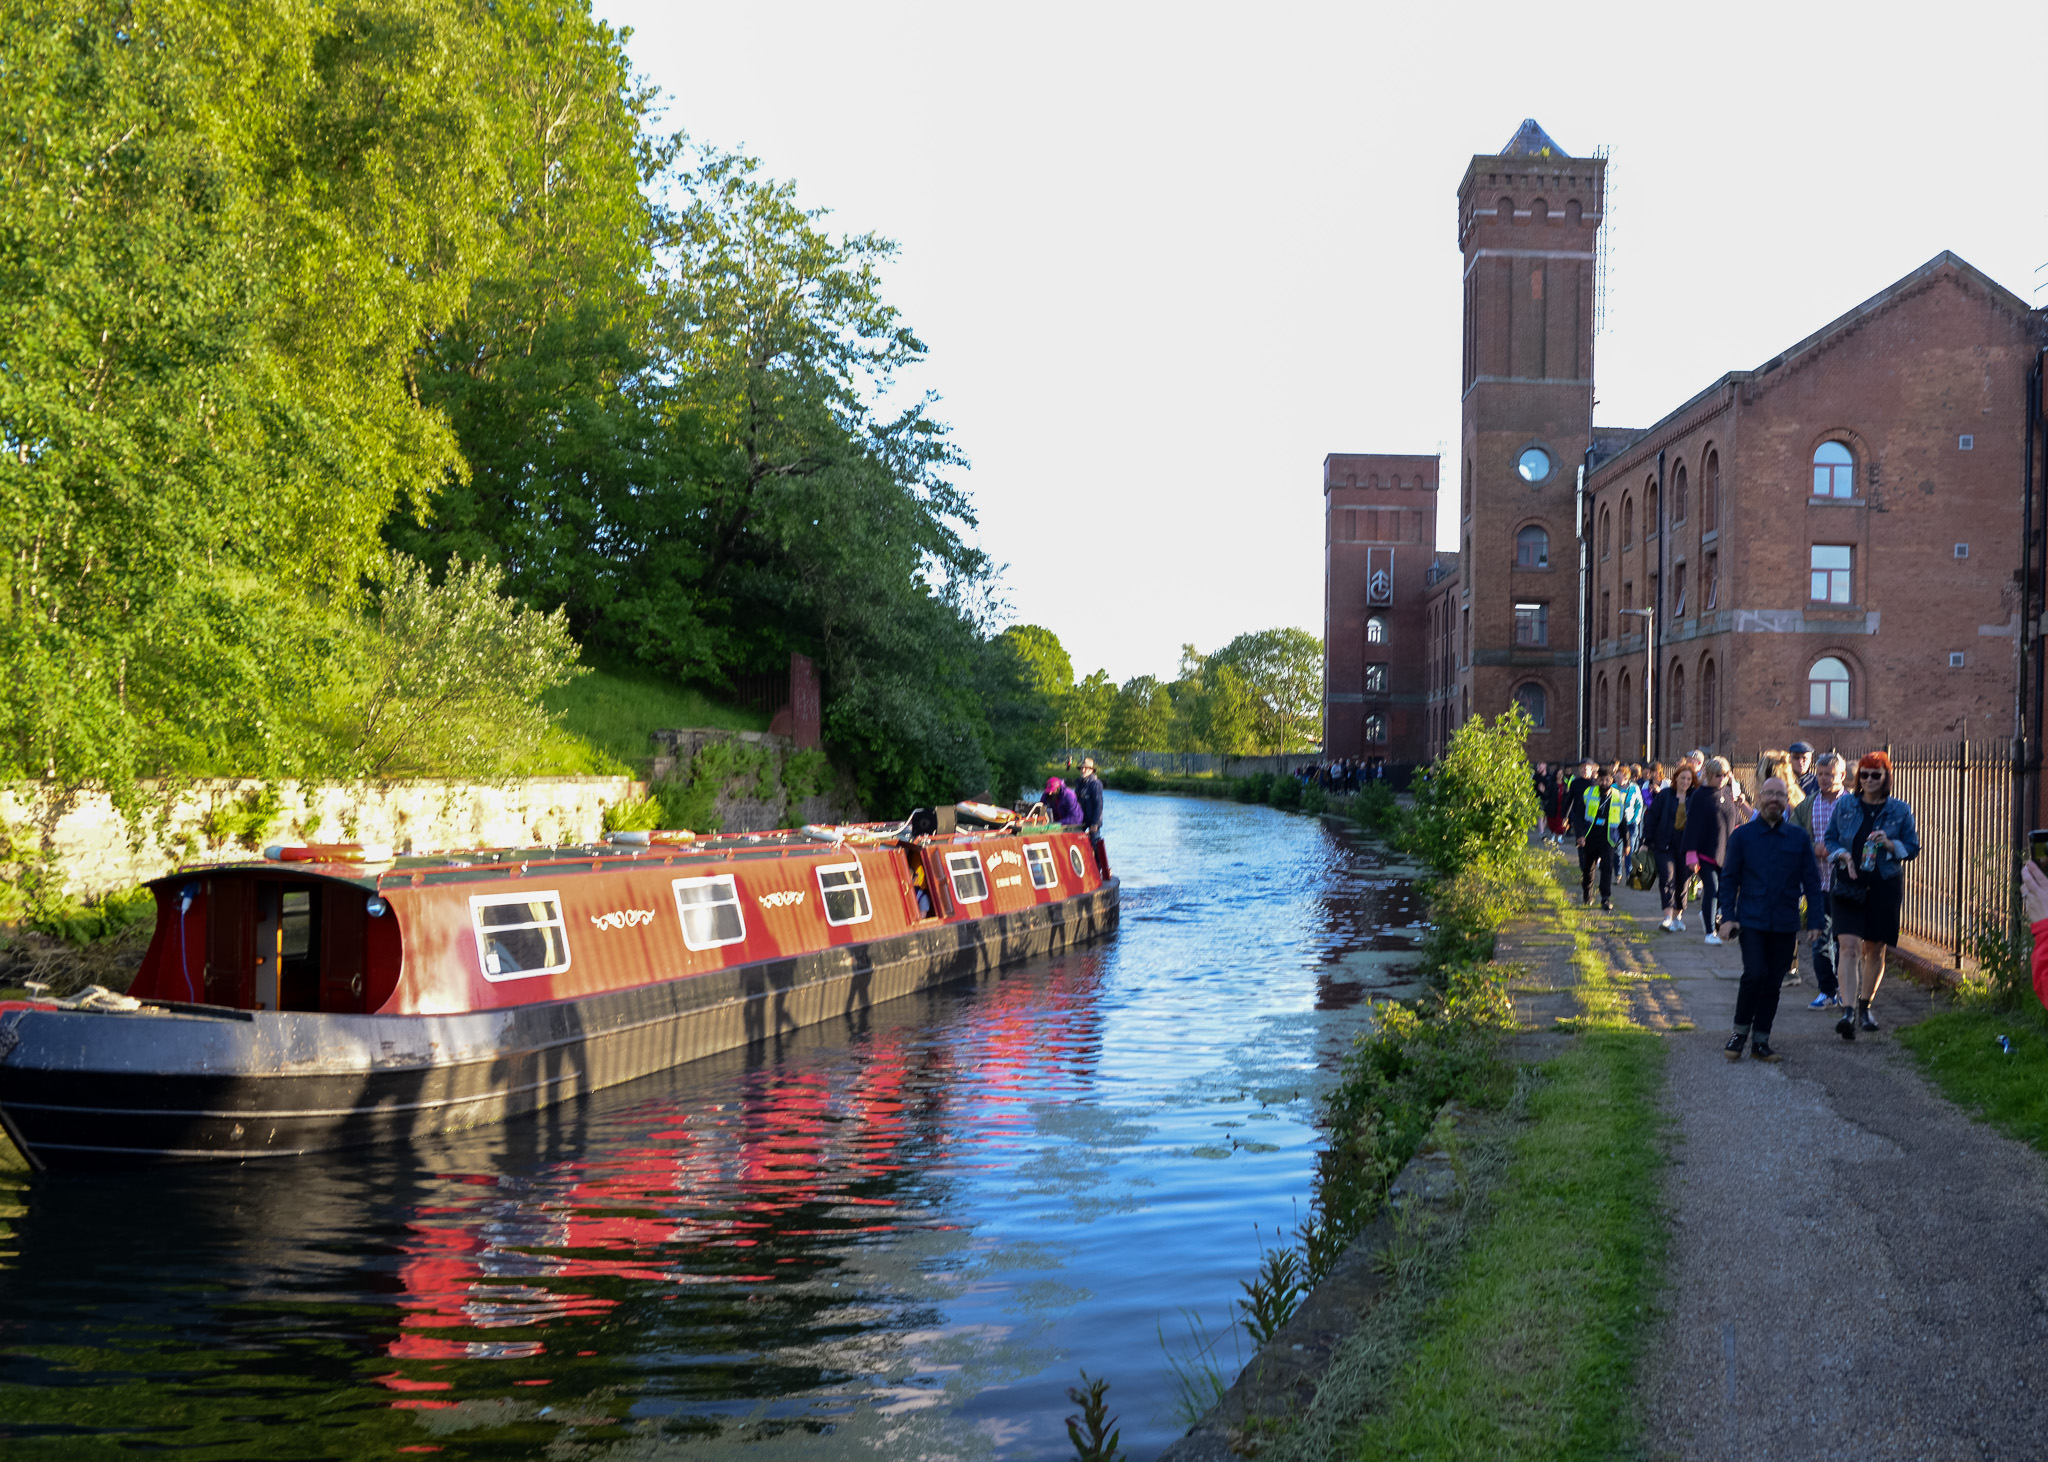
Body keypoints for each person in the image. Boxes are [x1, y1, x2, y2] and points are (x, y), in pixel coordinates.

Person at [1717, 776, 1827, 1062]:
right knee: (1754, 974)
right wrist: (1726, 917)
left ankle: (1761, 1040)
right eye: (1769, 794)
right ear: (1760, 797)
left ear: (1786, 799)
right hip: (1751, 920)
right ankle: (1739, 1032)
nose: (1775, 799)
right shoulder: (1742, 836)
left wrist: (1815, 920)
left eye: (1780, 794)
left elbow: (1812, 883)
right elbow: (1729, 880)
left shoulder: (1798, 838)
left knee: (1773, 982)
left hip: (1785, 922)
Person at [1823, 751, 1920, 1038]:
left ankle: (1865, 1006)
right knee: (1848, 946)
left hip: (1883, 885)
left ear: (1887, 777)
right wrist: (1842, 855)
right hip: (1847, 884)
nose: (1868, 780)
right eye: (1864, 774)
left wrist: (1890, 844)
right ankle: (1848, 1011)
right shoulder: (1845, 806)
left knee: (1874, 949)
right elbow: (1829, 839)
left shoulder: (1900, 810)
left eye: (1875, 774)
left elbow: (1913, 847)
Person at [1790, 752, 1847, 1010]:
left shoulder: (1852, 805)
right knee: (1819, 940)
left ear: (1842, 776)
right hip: (1817, 885)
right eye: (1821, 774)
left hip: (1846, 885)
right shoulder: (1808, 804)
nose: (1824, 779)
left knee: (1845, 942)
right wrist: (1813, 848)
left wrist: (1837, 849)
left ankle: (1845, 990)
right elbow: (1793, 835)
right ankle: (1827, 991)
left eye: (1830, 775)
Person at [1684, 757, 1743, 945]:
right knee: (1712, 888)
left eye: (1725, 775)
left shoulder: (1727, 791)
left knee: (1725, 891)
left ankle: (1712, 916)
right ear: (1709, 775)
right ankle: (1710, 932)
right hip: (1705, 852)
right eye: (1718, 775)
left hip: (1726, 852)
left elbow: (1735, 820)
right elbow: (1692, 826)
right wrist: (1691, 855)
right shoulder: (1699, 796)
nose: (1722, 779)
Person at [1642, 762, 1697, 932]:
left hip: (1686, 845)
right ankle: (1667, 917)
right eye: (1682, 778)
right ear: (1676, 778)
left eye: (1689, 779)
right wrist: (1645, 842)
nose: (1685, 782)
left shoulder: (1695, 797)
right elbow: (1651, 819)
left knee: (1683, 881)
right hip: (1664, 843)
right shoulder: (1665, 795)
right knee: (1667, 878)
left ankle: (1678, 917)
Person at [1571, 762, 1626, 909]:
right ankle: (1587, 894)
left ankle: (1605, 898)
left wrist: (1626, 842)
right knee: (1588, 868)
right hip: (1590, 836)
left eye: (1607, 780)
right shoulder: (1589, 793)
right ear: (1597, 780)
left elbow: (1622, 820)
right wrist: (1580, 835)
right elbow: (1578, 816)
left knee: (1607, 866)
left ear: (1611, 780)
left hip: (1608, 837)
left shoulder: (1618, 796)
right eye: (1601, 780)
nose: (1604, 783)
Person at [1075, 757, 1109, 876]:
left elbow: (1099, 804)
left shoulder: (1095, 784)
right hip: (1081, 820)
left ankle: (1100, 869)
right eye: (1082, 768)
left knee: (1095, 842)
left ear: (1091, 770)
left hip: (1093, 820)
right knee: (1076, 840)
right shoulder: (1080, 783)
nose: (1083, 770)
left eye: (1086, 768)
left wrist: (1095, 823)